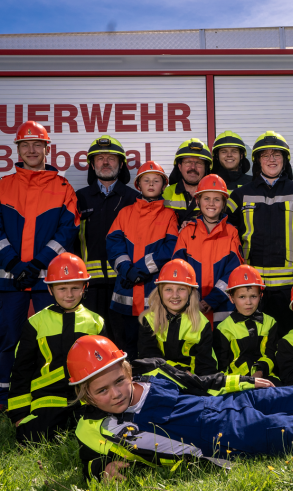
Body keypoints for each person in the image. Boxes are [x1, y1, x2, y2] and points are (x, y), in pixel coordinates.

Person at [70, 335, 293, 481]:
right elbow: (92, 459)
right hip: (221, 437)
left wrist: (244, 383)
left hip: (226, 402)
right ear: (86, 395)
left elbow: (201, 381)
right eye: (101, 391)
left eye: (119, 380)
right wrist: (103, 469)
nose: (115, 393)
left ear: (127, 369)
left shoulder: (154, 370)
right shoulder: (97, 427)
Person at [0, 121, 80, 414]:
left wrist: (38, 264)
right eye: (26, 145)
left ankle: (49, 390)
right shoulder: (2, 186)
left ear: (47, 149)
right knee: (9, 335)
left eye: (38, 144)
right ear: (18, 150)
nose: (32, 149)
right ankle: (2, 397)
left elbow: (68, 229)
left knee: (50, 337)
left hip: (45, 279)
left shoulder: (62, 187)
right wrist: (13, 263)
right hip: (10, 278)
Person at [7, 253, 105, 443]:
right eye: (62, 288)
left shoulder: (96, 322)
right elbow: (21, 371)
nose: (69, 294)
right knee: (31, 438)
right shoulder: (36, 323)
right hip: (47, 399)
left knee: (98, 435)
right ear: (50, 290)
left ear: (85, 287)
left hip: (84, 398)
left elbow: (105, 368)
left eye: (75, 288)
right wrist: (19, 415)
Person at [227, 131, 293, 333]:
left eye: (277, 154)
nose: (272, 159)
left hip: (288, 283)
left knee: (286, 337)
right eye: (266, 155)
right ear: (258, 161)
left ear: (285, 160)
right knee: (254, 338)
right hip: (251, 285)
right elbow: (223, 228)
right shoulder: (240, 194)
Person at [107, 162, 178, 359]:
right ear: (138, 185)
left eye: (156, 180)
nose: (151, 184)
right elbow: (113, 244)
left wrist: (140, 269)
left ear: (164, 185)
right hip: (125, 293)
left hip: (152, 292)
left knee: (152, 346)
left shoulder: (169, 214)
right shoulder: (125, 213)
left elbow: (170, 248)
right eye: (146, 180)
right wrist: (126, 269)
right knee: (126, 346)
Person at [75, 135, 140, 328]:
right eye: (100, 158)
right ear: (92, 165)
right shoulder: (78, 199)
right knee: (93, 338)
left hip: (125, 283)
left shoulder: (134, 199)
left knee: (125, 339)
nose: (105, 162)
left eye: (111, 158)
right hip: (89, 285)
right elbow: (71, 241)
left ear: (121, 165)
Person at [172, 174, 242, 324]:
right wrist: (193, 298)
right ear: (197, 201)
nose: (211, 203)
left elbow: (234, 272)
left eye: (217, 199)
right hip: (192, 309)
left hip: (223, 311)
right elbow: (177, 271)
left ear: (223, 204)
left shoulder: (231, 233)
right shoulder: (187, 232)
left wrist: (212, 299)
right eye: (206, 199)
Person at [137, 259, 217, 375]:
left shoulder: (202, 323)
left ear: (191, 292)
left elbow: (207, 366)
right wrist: (181, 372)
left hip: (192, 384)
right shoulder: (148, 320)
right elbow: (149, 358)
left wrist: (195, 382)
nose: (175, 295)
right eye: (168, 289)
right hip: (159, 381)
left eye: (181, 289)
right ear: (159, 292)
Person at [214, 265, 280, 385]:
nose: (248, 302)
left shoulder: (270, 322)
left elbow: (272, 354)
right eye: (242, 297)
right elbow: (222, 366)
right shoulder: (223, 329)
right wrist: (245, 381)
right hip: (236, 384)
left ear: (261, 296)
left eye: (253, 296)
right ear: (231, 298)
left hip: (267, 380)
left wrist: (259, 372)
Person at [162, 138, 213, 228]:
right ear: (179, 166)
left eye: (199, 163)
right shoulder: (164, 194)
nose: (193, 167)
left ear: (206, 168)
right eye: (188, 162)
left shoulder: (216, 195)